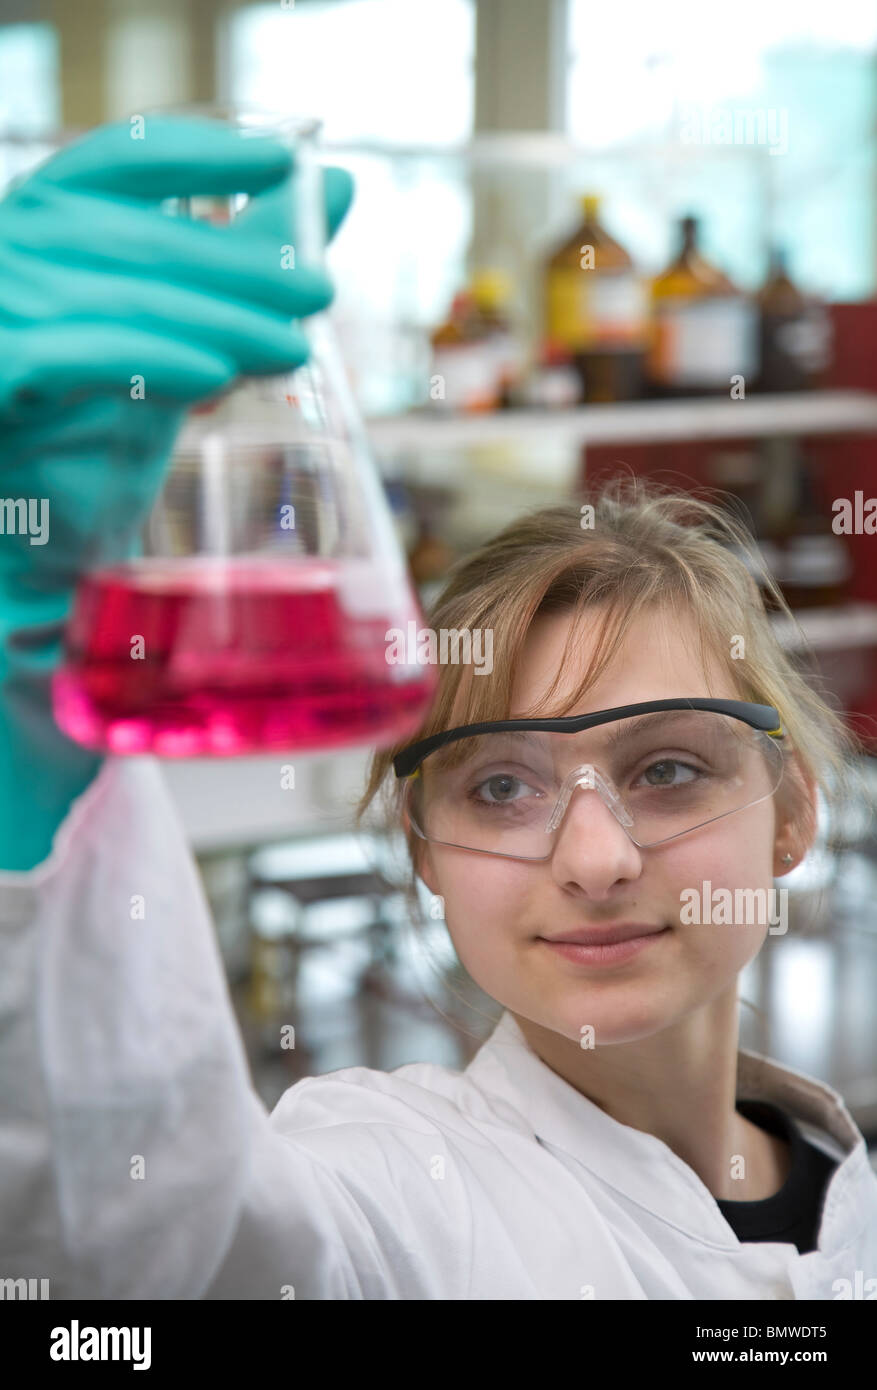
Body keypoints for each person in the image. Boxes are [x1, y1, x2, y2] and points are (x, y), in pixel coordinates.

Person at [1, 121, 875, 1302]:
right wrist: (24, 760)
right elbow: (126, 1259)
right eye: (500, 787)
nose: (598, 859)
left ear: (790, 816)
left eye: (669, 768)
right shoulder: (390, 1196)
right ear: (422, 850)